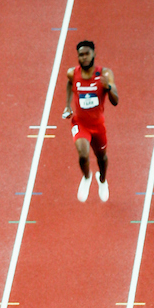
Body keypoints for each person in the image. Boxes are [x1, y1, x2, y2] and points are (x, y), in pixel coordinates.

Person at [62, 39, 118, 203]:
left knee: (102, 158)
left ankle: (102, 180)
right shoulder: (72, 73)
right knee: (83, 154)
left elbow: (115, 101)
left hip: (98, 125)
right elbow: (69, 83)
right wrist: (67, 105)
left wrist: (108, 88)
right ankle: (87, 177)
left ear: (94, 54)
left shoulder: (105, 74)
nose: (84, 57)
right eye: (81, 55)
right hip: (80, 123)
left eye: (87, 54)